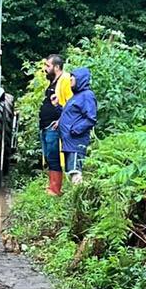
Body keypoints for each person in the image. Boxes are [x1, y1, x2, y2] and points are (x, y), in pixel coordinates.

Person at [39, 54, 72, 195]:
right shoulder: (54, 81)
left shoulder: (65, 80)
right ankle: (51, 186)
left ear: (56, 67)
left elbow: (70, 104)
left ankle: (56, 188)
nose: (45, 68)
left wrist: (60, 121)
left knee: (54, 156)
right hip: (46, 126)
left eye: (48, 66)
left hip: (54, 126)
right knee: (49, 156)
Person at [58, 67, 97, 185]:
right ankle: (73, 197)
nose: (70, 80)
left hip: (75, 142)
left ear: (80, 79)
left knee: (76, 172)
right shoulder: (76, 97)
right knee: (71, 171)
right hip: (69, 142)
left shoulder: (87, 95)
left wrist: (75, 130)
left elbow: (91, 118)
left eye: (72, 78)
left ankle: (77, 198)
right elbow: (71, 115)